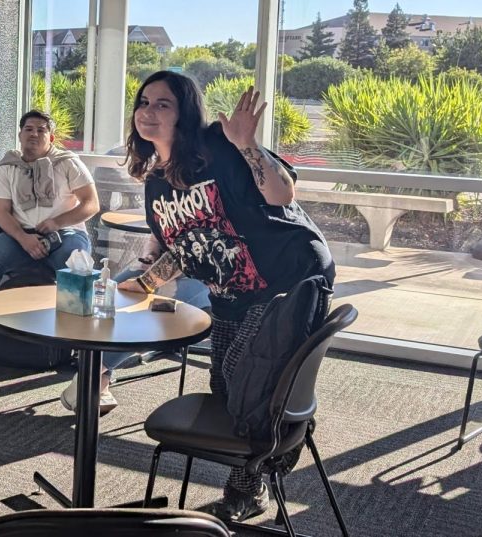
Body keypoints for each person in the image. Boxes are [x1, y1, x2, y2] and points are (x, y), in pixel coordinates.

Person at [116, 71, 335, 522]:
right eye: (144, 101)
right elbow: (186, 246)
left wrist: (247, 144)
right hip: (231, 291)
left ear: (184, 113)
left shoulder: (220, 145)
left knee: (245, 386)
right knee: (225, 390)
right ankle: (260, 472)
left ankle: (281, 437)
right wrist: (143, 284)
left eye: (163, 104)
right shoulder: (156, 182)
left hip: (288, 278)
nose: (148, 111)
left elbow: (281, 194)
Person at [0, 110, 100, 359]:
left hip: (65, 235)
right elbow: (1, 213)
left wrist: (57, 222)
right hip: (20, 237)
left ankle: (77, 342)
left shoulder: (68, 163)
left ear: (52, 136)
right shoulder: (8, 167)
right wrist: (23, 239)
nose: (34, 134)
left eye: (41, 129)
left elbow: (91, 204)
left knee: (75, 265)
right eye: (28, 129)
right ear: (20, 134)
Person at [56, 232, 212, 415]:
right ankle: (100, 377)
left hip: (203, 277)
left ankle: (91, 375)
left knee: (145, 313)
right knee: (107, 295)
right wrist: (151, 255)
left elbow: (188, 251)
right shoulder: (159, 204)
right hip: (155, 269)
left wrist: (145, 282)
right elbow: (154, 239)